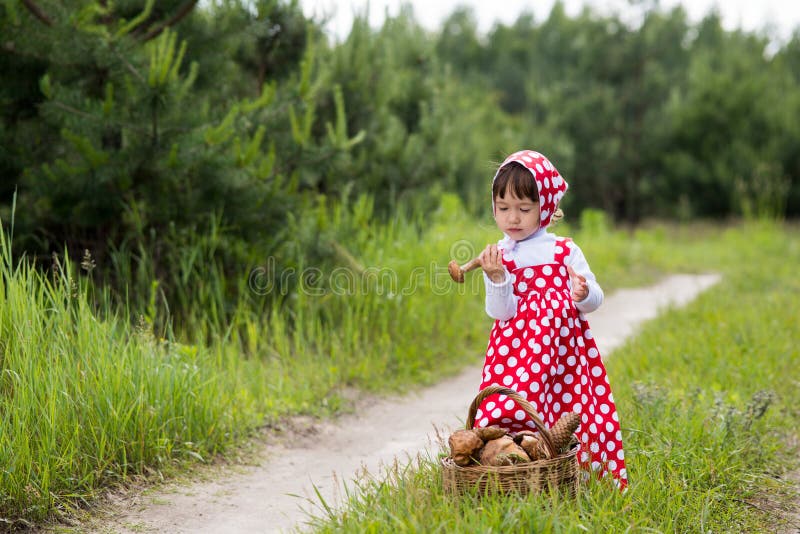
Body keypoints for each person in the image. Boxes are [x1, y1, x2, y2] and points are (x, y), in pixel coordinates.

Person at [474, 149, 627, 489]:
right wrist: (497, 278)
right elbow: (500, 312)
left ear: (545, 207)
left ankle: (577, 478)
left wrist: (584, 293)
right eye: (503, 208)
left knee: (570, 414)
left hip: (563, 355)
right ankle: (511, 476)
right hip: (514, 355)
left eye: (524, 209)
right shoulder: (499, 256)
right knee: (509, 411)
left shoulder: (563, 251)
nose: (512, 218)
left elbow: (595, 300)